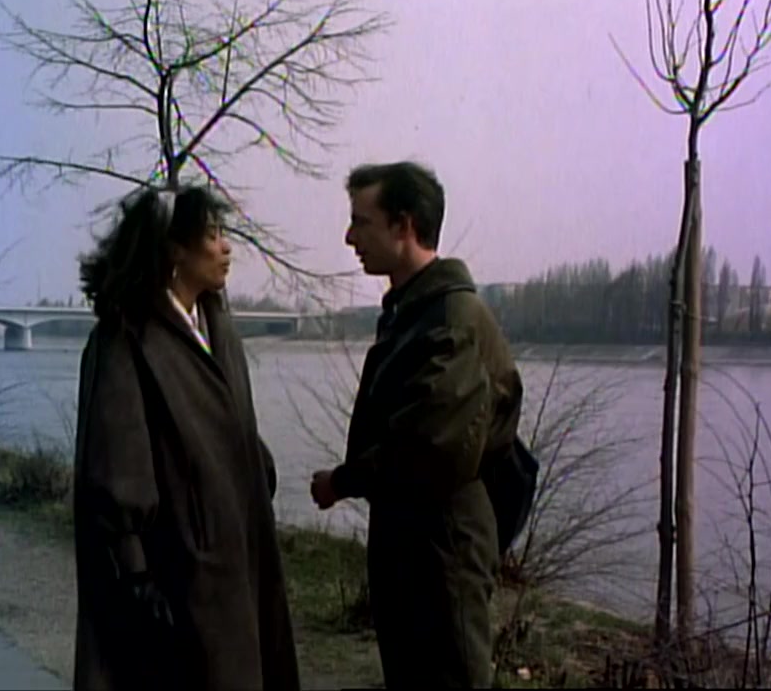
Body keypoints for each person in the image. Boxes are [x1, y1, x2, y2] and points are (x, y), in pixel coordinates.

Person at [73, 185, 300, 690]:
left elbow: (229, 426)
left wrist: (255, 466)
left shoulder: (219, 330)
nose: (226, 247)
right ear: (175, 249)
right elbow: (116, 463)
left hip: (236, 556)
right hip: (176, 570)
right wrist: (135, 574)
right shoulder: (126, 338)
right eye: (212, 235)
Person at [311, 161, 524, 688]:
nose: (350, 237)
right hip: (416, 546)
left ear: (403, 226)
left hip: (443, 549)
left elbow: (429, 446)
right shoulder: (414, 311)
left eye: (361, 221)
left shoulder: (451, 319)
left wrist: (343, 481)